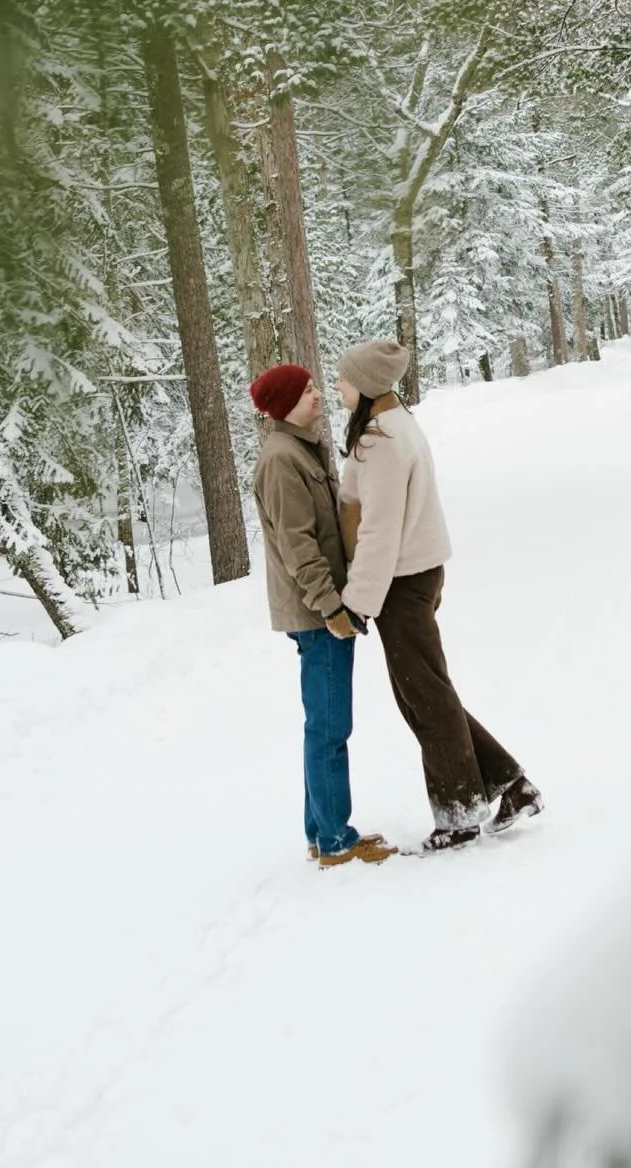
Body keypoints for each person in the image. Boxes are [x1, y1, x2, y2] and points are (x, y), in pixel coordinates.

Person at [334, 338, 542, 853]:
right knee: (429, 692)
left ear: (365, 384)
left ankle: (460, 814)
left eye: (343, 378)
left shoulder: (380, 440)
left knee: (425, 698)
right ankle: (509, 783)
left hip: (400, 582)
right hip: (417, 574)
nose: (337, 385)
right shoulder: (396, 423)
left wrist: (357, 601)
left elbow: (380, 529)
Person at [250, 362, 395, 870]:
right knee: (331, 726)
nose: (318, 394)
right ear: (287, 402)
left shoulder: (299, 448)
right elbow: (298, 546)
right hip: (317, 612)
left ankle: (320, 831)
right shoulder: (281, 460)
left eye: (316, 386)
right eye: (308, 390)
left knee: (324, 722)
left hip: (322, 606)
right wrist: (332, 607)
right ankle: (336, 840)